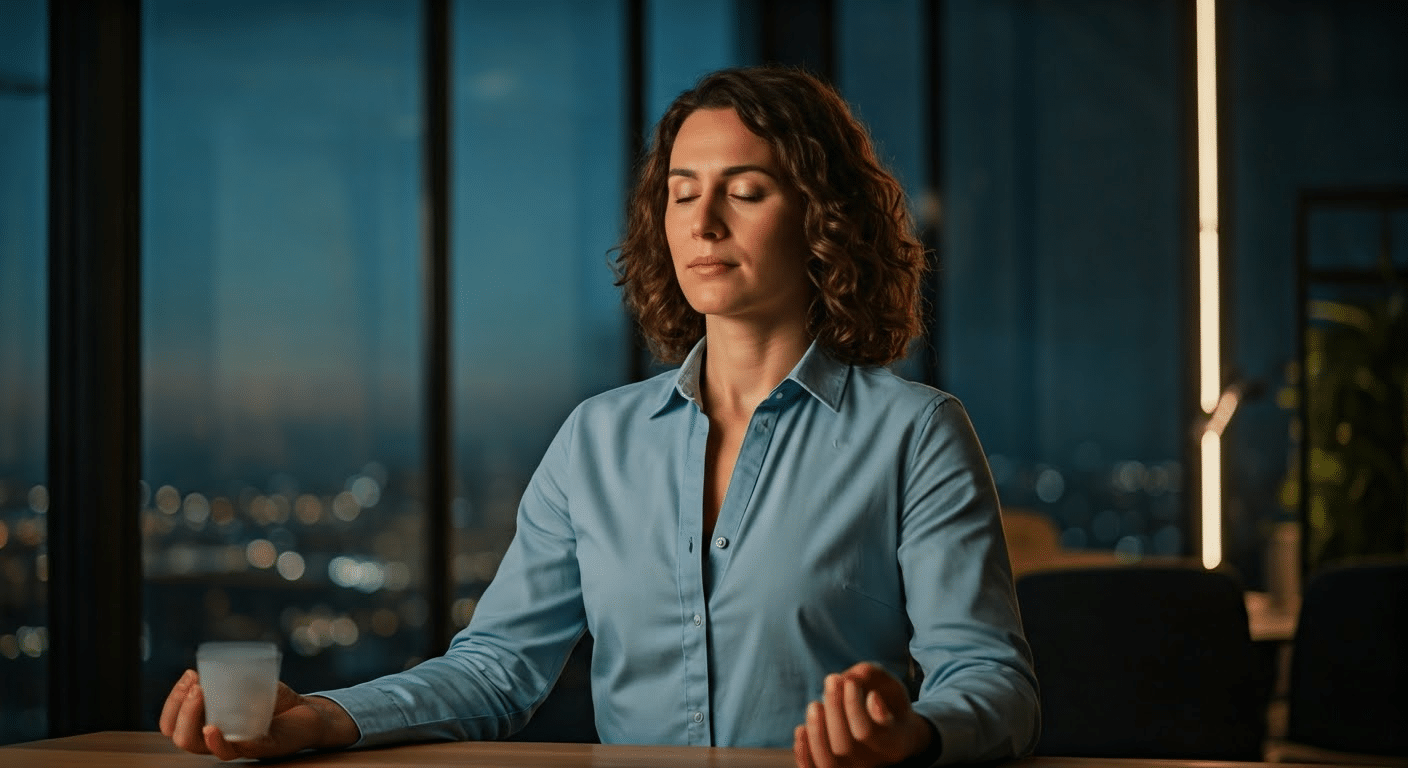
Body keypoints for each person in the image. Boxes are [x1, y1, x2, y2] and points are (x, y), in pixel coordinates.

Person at [160, 64, 1040, 768]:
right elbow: (497, 670)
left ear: (822, 218)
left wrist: (913, 735)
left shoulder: (914, 435)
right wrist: (321, 718)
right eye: (683, 192)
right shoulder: (596, 440)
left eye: (745, 190)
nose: (704, 222)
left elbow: (994, 683)